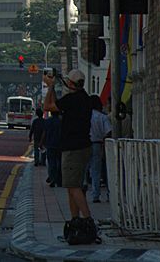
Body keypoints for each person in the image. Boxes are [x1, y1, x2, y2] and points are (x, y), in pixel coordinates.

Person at [43, 69, 96, 243]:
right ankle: (75, 222)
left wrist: (50, 87)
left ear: (71, 84)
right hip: (83, 146)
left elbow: (48, 107)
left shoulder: (72, 99)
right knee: (71, 186)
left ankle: (87, 221)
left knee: (74, 187)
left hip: (73, 148)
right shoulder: (85, 99)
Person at [87, 96, 111, 203]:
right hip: (97, 144)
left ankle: (81, 191)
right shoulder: (102, 117)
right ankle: (95, 195)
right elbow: (108, 132)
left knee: (84, 169)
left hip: (85, 144)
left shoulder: (85, 116)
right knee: (96, 170)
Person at [43, 109, 63, 187]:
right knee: (59, 163)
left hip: (50, 144)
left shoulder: (48, 121)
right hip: (60, 145)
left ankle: (52, 178)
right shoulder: (61, 121)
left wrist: (42, 142)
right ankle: (59, 180)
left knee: (51, 163)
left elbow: (44, 132)